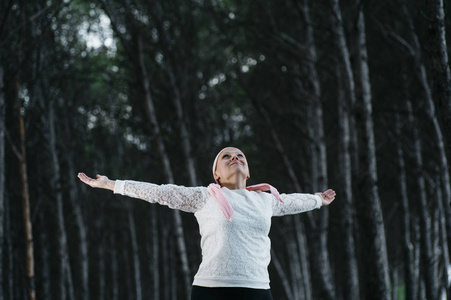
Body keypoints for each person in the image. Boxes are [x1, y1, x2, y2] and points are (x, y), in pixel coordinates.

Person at [78, 147, 336, 300]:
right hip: (211, 290)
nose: (235, 158)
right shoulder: (205, 196)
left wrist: (318, 200)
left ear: (248, 172)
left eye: (240, 156)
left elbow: (293, 202)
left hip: (256, 290)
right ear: (217, 174)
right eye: (227, 157)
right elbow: (159, 191)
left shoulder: (265, 200)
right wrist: (112, 184)